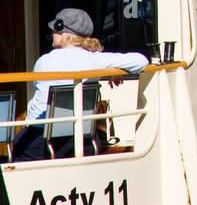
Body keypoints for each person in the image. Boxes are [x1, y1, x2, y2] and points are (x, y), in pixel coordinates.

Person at [11, 8, 148, 162]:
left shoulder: (43, 61)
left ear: (66, 35)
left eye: (55, 30)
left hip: (39, 144)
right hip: (82, 141)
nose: (52, 34)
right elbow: (141, 60)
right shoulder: (93, 61)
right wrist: (112, 70)